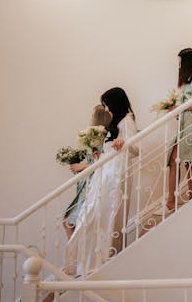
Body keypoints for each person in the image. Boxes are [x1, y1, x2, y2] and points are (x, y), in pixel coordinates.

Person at [65, 87, 138, 276]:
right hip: (105, 173)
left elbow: (135, 149)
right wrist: (100, 153)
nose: (105, 110)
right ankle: (85, 263)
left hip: (115, 175)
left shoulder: (126, 121)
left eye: (107, 105)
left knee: (106, 215)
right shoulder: (114, 125)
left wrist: (124, 143)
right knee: (91, 215)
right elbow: (109, 152)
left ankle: (100, 261)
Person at [165, 48, 192, 211]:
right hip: (184, 126)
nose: (179, 66)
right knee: (173, 161)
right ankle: (171, 200)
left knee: (190, 164)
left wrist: (179, 107)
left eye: (181, 62)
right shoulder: (189, 80)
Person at [62, 105, 112, 239]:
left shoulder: (104, 137)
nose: (90, 117)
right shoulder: (92, 136)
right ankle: (75, 255)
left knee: (71, 221)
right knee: (69, 221)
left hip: (93, 182)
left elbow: (104, 161)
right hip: (85, 181)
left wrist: (83, 167)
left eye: (92, 115)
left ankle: (75, 256)